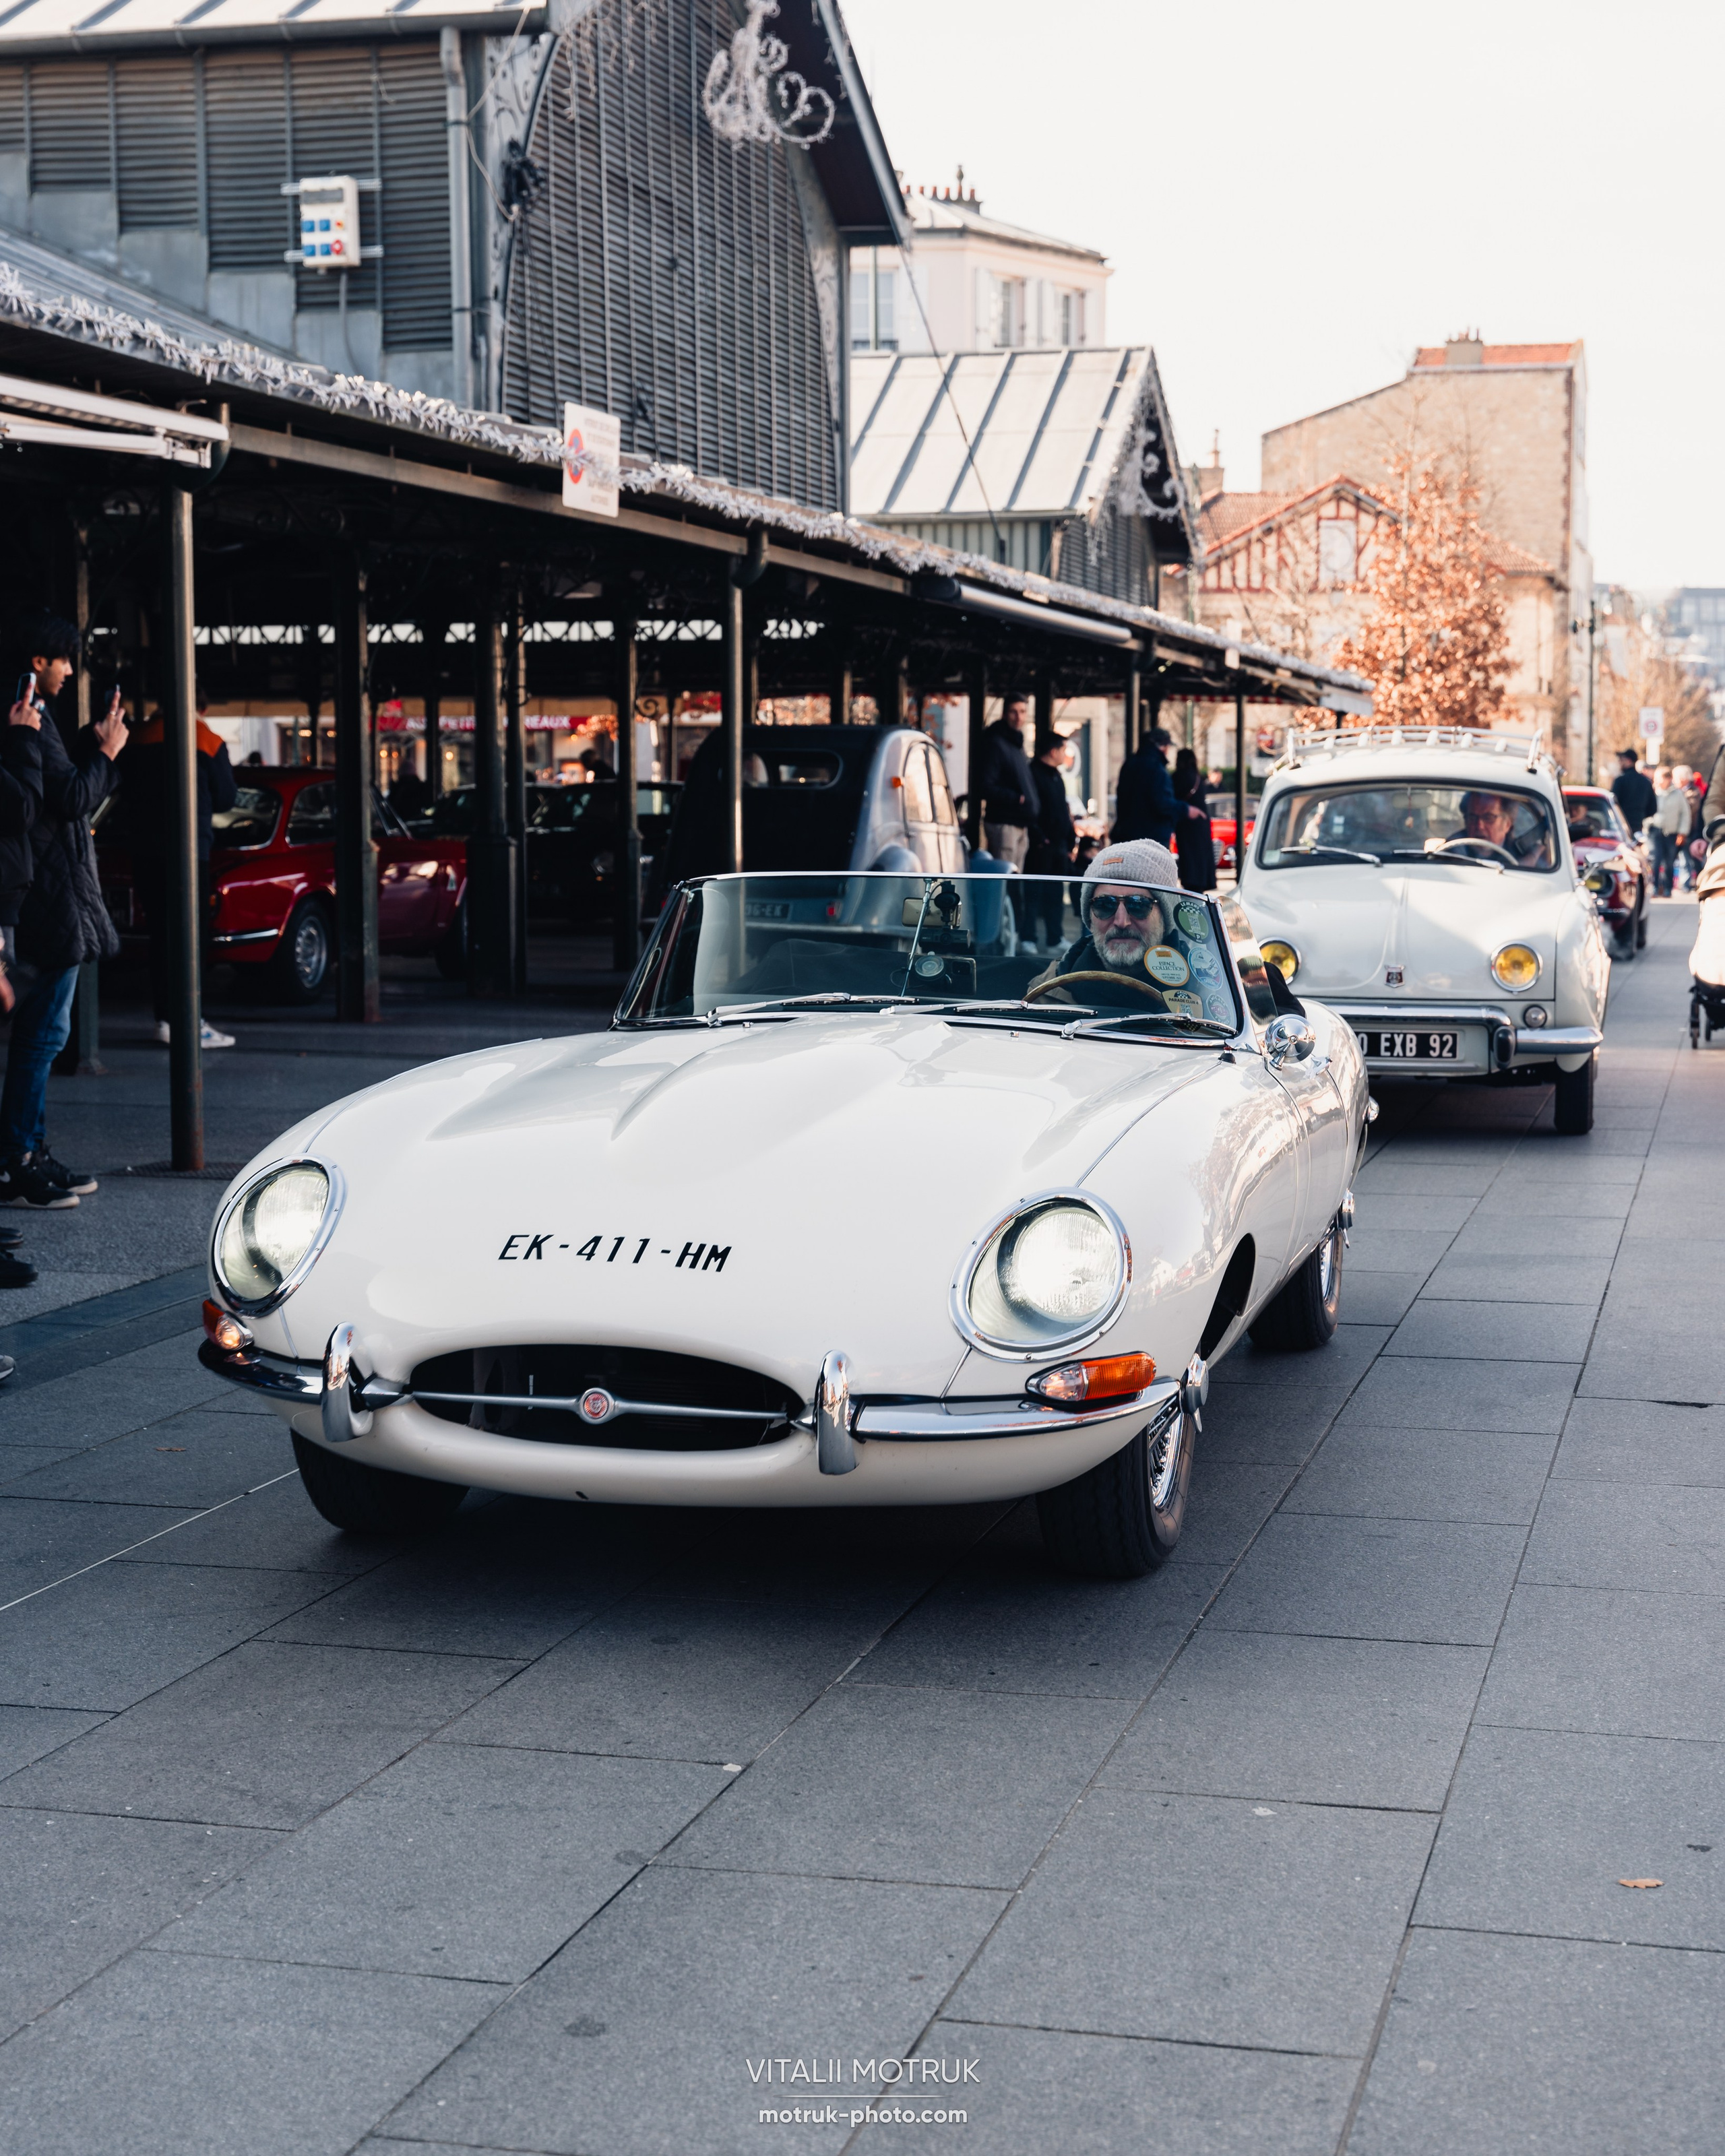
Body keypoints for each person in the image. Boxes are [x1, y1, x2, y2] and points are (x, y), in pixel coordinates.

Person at [0, 616, 125, 1209]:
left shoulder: (34, 717)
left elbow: (55, 784)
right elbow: (67, 797)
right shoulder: (24, 714)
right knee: (42, 1034)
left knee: (45, 1032)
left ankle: (29, 1150)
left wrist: (86, 746)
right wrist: (106, 751)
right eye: (64, 660)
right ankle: (20, 1156)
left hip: (47, 888)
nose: (71, 671)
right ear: (38, 658)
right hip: (47, 895)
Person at [116, 697, 238, 1049]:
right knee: (191, 939)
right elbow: (227, 797)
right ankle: (190, 1021)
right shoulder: (204, 739)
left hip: (144, 851)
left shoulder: (137, 737)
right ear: (201, 706)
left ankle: (165, 1019)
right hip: (189, 853)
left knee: (160, 937)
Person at [1025, 838, 1184, 1009]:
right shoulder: (1047, 994)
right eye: (1104, 905)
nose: (1121, 922)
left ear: (1166, 918)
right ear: (1090, 918)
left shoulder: (1205, 992)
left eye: (1139, 904)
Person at [1024, 730, 1077, 951]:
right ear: (1053, 751)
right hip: (1041, 845)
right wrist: (1039, 837)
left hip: (1058, 845)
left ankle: (1055, 938)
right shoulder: (1033, 774)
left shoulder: (1057, 776)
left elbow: (1063, 811)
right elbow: (1030, 810)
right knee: (1034, 893)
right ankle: (1029, 938)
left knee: (1055, 893)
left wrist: (1069, 839)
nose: (1065, 755)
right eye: (1064, 750)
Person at [1113, 727, 1205, 848]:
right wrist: (1186, 810)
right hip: (1152, 837)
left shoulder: (1130, 764)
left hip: (1127, 834)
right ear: (1163, 747)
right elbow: (1163, 803)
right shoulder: (1156, 769)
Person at [976, 694, 1038, 868]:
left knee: (1014, 880)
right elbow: (985, 786)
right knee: (1004, 878)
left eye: (1022, 712)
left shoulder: (1016, 744)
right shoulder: (996, 743)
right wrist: (1016, 798)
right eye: (1013, 712)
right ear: (1004, 714)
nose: (1019, 717)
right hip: (1004, 822)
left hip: (1020, 822)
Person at [1170, 745, 1218, 892]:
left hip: (1186, 824)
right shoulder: (1198, 777)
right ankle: (1201, 884)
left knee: (1189, 857)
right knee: (1200, 858)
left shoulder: (1178, 777)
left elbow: (1170, 800)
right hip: (1201, 824)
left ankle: (1191, 884)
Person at [1648, 766, 1688, 897]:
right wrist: (1647, 825)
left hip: (1671, 833)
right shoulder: (1653, 792)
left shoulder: (1677, 794)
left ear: (1668, 779)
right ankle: (1655, 887)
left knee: (1669, 862)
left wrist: (1682, 832)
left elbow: (1685, 814)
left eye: (1659, 779)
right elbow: (1646, 811)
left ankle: (1667, 888)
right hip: (1655, 831)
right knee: (1656, 860)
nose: (1657, 781)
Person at [1612, 747, 1657, 837]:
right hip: (1638, 825)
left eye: (1621, 760)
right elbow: (1653, 808)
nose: (1620, 763)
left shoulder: (1620, 781)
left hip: (1620, 825)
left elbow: (1613, 803)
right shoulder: (1646, 782)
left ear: (1628, 761)